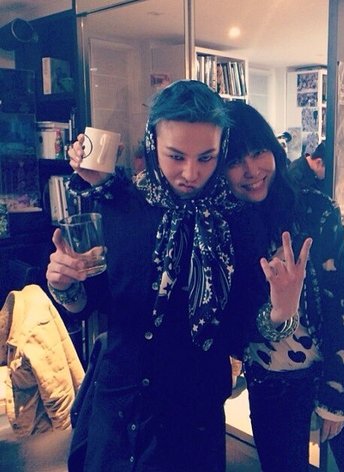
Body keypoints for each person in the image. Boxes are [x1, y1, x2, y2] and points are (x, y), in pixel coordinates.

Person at [46, 80, 250, 472]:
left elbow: (241, 323)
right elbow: (94, 301)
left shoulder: (234, 221)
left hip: (193, 413)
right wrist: (65, 284)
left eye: (206, 158)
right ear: (153, 143)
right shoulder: (123, 205)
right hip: (120, 404)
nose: (190, 173)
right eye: (176, 156)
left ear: (222, 150)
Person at [223, 101, 344, 472]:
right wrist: (279, 313)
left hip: (336, 365)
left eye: (258, 152)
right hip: (272, 383)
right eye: (234, 161)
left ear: (274, 150)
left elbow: (343, 307)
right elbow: (234, 327)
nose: (251, 170)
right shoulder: (222, 229)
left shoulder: (315, 210)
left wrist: (337, 393)